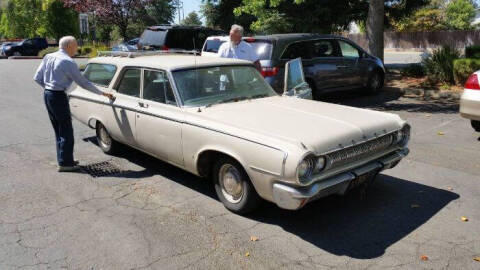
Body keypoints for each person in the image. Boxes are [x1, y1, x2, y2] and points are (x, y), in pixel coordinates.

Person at [33, 36, 114, 172]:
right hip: (58, 96)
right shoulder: (68, 61)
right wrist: (102, 93)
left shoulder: (48, 57)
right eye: (76, 45)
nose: (76, 48)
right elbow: (83, 82)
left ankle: (64, 159)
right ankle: (66, 163)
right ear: (69, 46)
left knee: (58, 129)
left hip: (48, 95)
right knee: (66, 130)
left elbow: (37, 78)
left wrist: (49, 88)